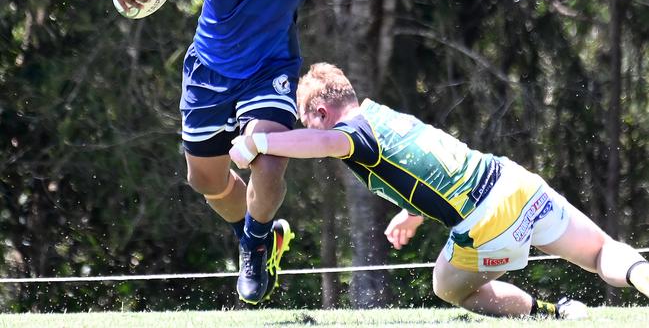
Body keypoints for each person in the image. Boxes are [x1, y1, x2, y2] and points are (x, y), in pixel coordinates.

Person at [98, 0, 364, 305]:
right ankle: (255, 230)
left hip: (269, 73)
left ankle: (254, 245)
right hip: (206, 75)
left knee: (267, 155)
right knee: (207, 182)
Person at [229, 62, 649, 318]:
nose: (308, 130)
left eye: (306, 121)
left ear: (321, 112)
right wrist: (410, 213)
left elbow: (326, 143)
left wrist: (259, 142)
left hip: (487, 219)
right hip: (513, 180)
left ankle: (551, 315)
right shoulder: (382, 116)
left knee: (447, 287)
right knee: (601, 252)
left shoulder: (348, 131)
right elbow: (427, 163)